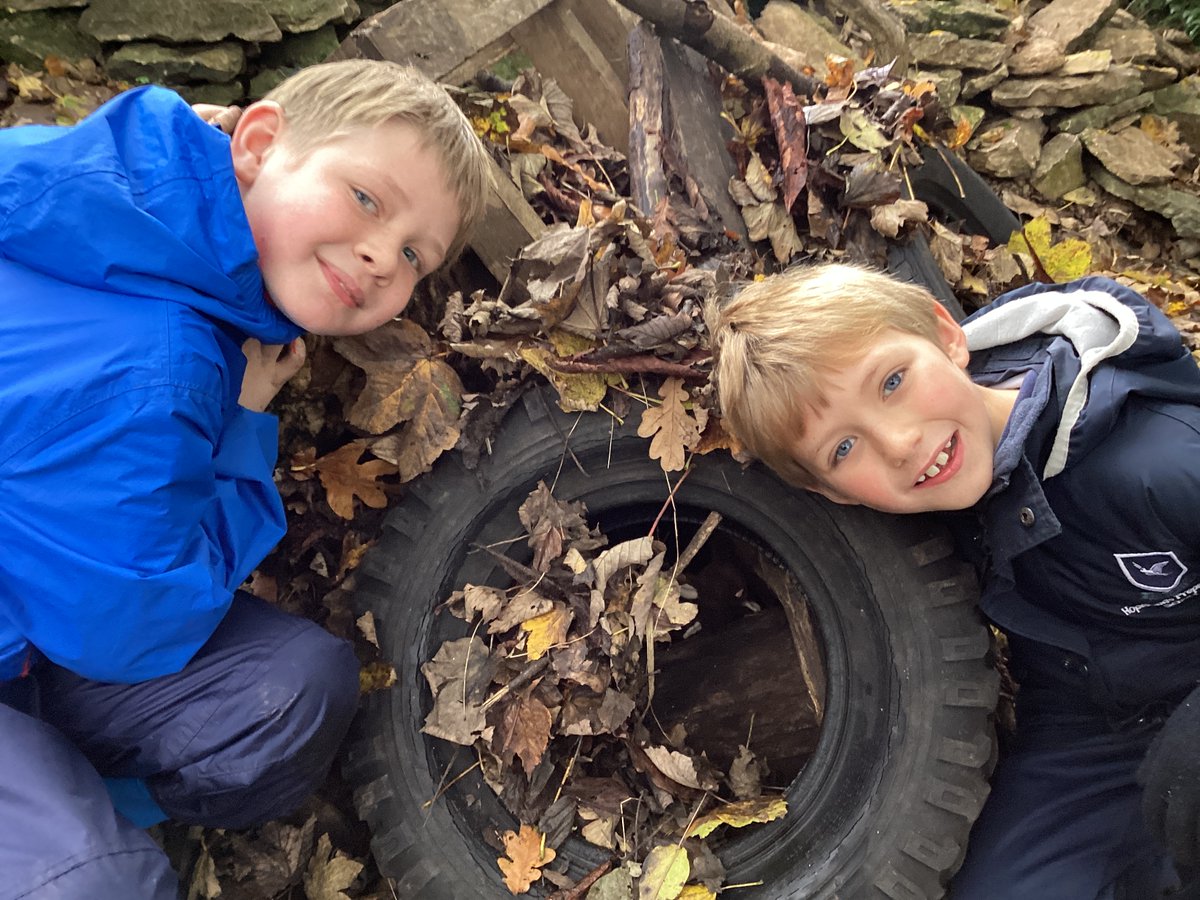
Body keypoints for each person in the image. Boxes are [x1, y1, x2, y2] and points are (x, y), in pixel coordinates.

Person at [0, 59, 491, 898]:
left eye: (415, 254)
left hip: (36, 606)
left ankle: (68, 794)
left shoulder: (98, 181)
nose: (381, 256)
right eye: (366, 198)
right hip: (74, 628)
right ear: (259, 142)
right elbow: (135, 635)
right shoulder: (163, 370)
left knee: (291, 692)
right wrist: (243, 424)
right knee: (97, 883)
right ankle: (80, 822)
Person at [708, 263, 1200, 899]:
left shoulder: (1160, 460)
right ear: (830, 493)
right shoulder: (935, 497)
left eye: (892, 382)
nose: (899, 443)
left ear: (947, 335)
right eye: (843, 450)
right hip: (1092, 726)